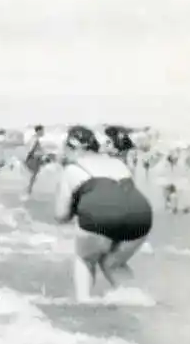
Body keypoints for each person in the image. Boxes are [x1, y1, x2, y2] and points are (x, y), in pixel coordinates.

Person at [54, 127, 152, 302]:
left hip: (101, 215)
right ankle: (141, 302)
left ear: (72, 148)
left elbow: (61, 215)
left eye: (65, 149)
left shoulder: (72, 169)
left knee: (85, 259)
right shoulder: (117, 163)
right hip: (141, 216)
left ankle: (84, 303)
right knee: (113, 263)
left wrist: (74, 208)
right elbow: (121, 197)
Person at [23, 125, 46, 197]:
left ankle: (31, 188)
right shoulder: (35, 139)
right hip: (31, 159)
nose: (43, 132)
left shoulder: (36, 139)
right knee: (36, 172)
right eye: (42, 131)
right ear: (38, 131)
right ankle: (29, 189)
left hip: (33, 158)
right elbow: (31, 150)